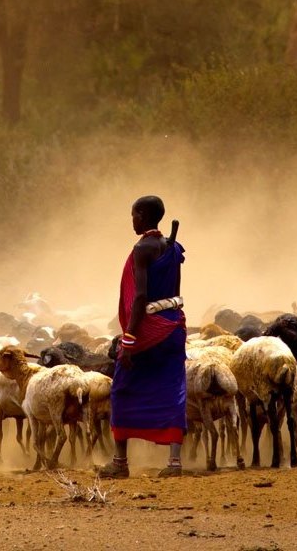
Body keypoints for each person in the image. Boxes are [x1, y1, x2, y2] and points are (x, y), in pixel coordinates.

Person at [99, 195, 187, 478]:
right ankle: (174, 463)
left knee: (122, 389)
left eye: (134, 215)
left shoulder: (143, 248)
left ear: (143, 215)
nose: (132, 221)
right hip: (173, 324)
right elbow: (174, 291)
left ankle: (120, 463)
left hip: (148, 328)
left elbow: (139, 297)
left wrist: (129, 339)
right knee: (173, 389)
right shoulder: (171, 248)